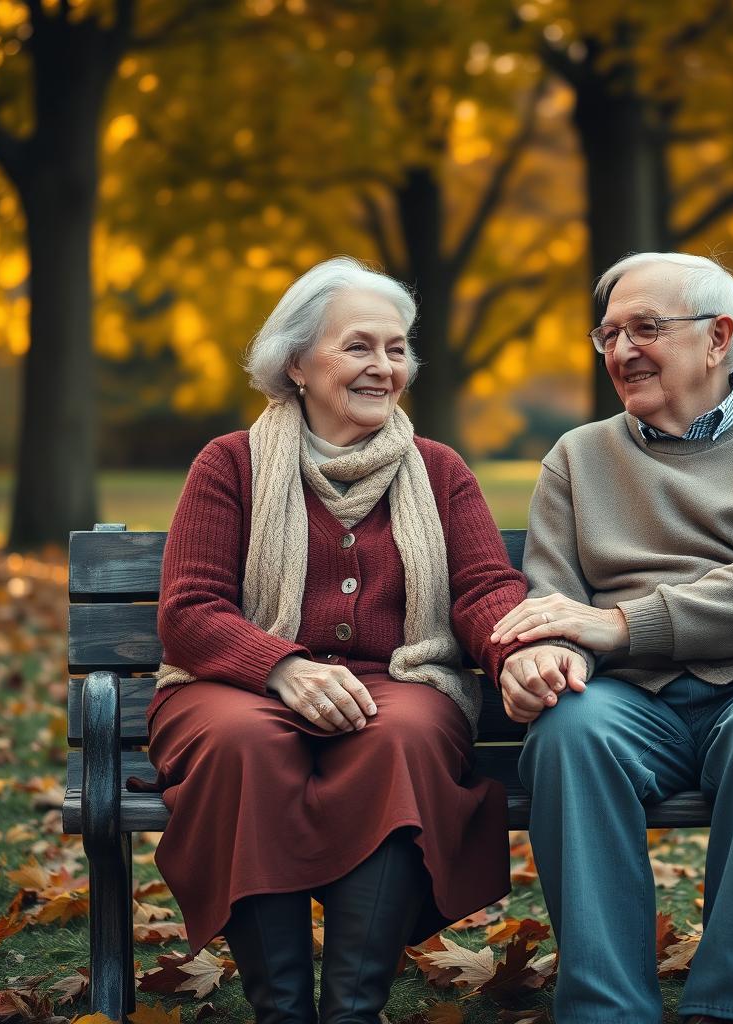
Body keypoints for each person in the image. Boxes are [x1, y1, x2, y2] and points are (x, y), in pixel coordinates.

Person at [133, 257, 531, 1024]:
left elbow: (485, 590)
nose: (385, 367)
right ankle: (282, 1010)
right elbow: (189, 611)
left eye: (397, 348)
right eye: (359, 347)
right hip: (236, 685)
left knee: (403, 738)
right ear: (295, 363)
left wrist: (518, 649)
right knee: (244, 745)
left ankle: (352, 1010)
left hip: (403, 681)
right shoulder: (231, 464)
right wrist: (280, 667)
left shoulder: (438, 470)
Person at [491, 252, 733, 1024]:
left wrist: (619, 624)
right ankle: (606, 1010)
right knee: (570, 730)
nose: (621, 349)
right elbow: (554, 595)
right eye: (608, 334)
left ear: (718, 337)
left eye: (646, 328)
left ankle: (729, 1008)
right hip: (636, 700)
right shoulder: (577, 456)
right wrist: (545, 655)